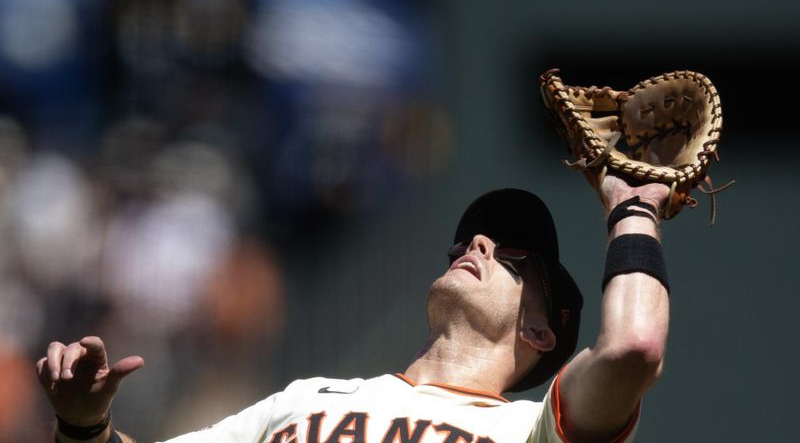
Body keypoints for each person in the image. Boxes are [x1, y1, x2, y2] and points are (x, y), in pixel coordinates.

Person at [37, 174, 671, 443]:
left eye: (514, 256)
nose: (478, 243)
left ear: (540, 329)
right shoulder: (305, 399)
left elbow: (633, 348)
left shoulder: (533, 430)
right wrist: (84, 425)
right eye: (472, 239)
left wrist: (634, 212)